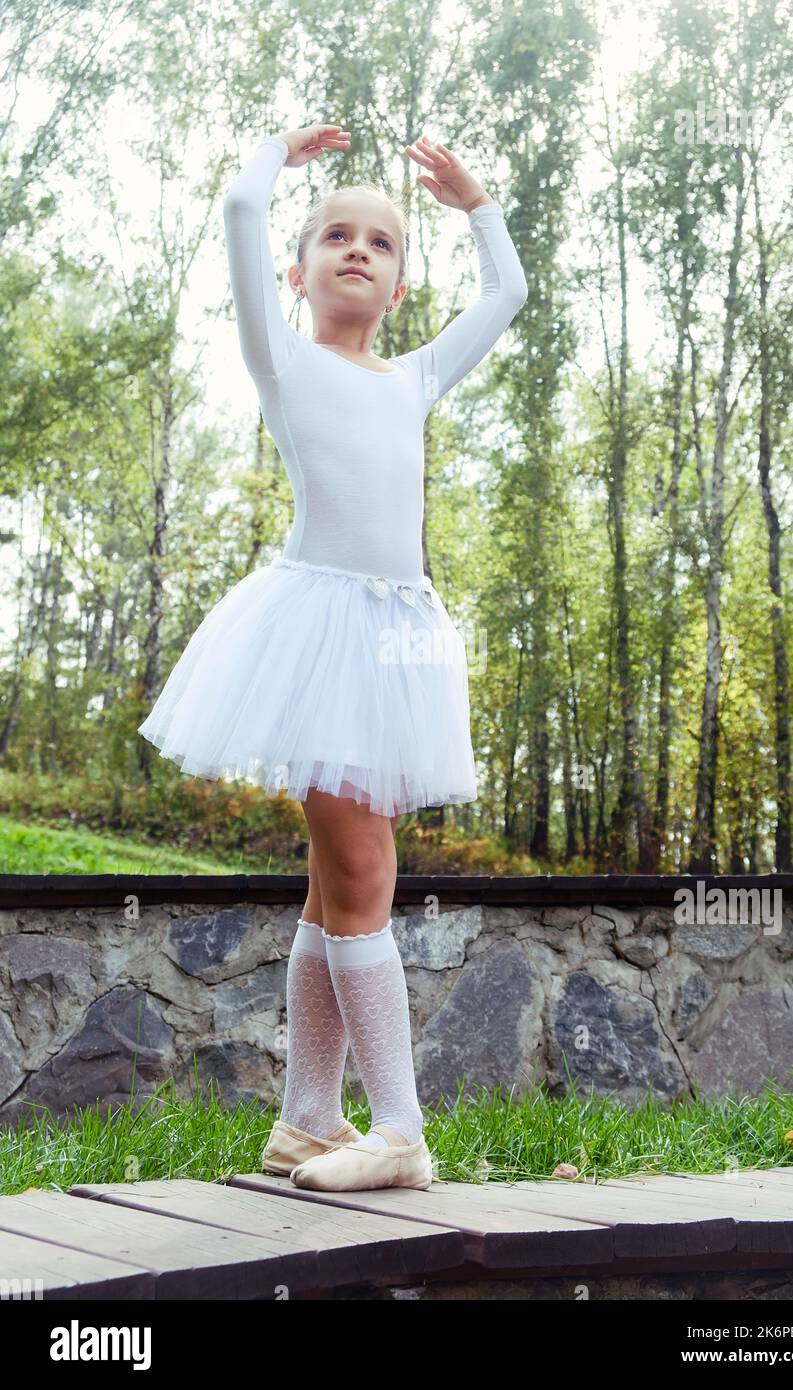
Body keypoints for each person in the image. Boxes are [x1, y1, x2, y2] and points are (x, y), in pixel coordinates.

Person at [137, 122, 528, 1191]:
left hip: (399, 639)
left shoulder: (410, 379)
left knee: (334, 886)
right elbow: (235, 212)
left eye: (382, 243)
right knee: (361, 875)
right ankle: (398, 1131)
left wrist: (473, 205)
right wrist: (271, 155)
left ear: (399, 285)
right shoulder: (282, 357)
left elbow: (506, 297)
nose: (358, 250)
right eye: (336, 237)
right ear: (301, 271)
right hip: (318, 634)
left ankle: (308, 1119)